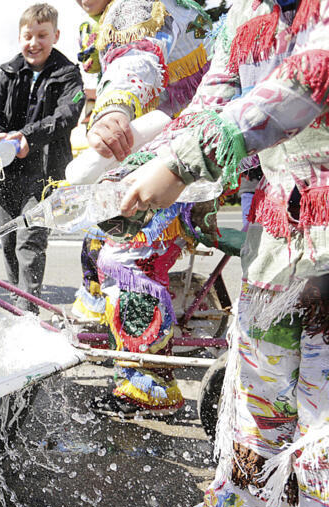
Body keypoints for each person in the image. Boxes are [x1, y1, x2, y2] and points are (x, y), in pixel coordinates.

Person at [114, 0, 329, 507]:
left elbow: (310, 77)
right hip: (279, 223)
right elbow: (215, 97)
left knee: (322, 398)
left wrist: (187, 162)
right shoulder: (247, 11)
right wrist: (144, 164)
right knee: (262, 379)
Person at [68, 0, 214, 417]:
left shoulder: (137, 7)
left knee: (126, 251)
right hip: (190, 157)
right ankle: (106, 322)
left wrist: (113, 110)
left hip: (189, 169)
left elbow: (138, 61)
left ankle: (148, 382)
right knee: (99, 226)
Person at [0, 3, 84, 311]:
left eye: (42, 35)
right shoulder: (7, 73)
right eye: (28, 35)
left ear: (55, 35)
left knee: (30, 241)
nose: (34, 43)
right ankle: (16, 305)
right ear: (19, 37)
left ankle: (28, 310)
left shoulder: (68, 75)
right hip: (3, 175)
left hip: (44, 175)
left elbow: (68, 114)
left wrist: (28, 137)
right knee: (8, 242)